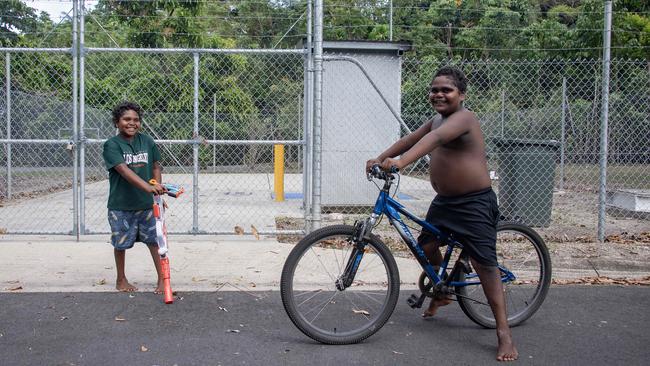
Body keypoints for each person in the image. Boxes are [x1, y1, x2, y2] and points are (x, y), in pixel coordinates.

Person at [365, 66, 518, 362]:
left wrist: (399, 163)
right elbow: (411, 139)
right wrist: (382, 156)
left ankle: (503, 332)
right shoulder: (436, 118)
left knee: (485, 265)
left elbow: (431, 143)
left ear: (461, 94)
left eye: (446, 90)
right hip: (445, 202)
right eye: (434, 89)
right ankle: (444, 290)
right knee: (426, 247)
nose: (438, 94)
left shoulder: (464, 118)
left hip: (474, 203)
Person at [102, 101, 167, 294]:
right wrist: (148, 187)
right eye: (126, 119)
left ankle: (163, 280)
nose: (132, 123)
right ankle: (121, 280)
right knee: (120, 243)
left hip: (147, 205)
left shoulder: (147, 141)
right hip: (121, 205)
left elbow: (156, 166)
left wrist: (156, 190)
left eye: (136, 120)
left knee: (155, 242)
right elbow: (123, 170)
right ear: (117, 122)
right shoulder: (111, 145)